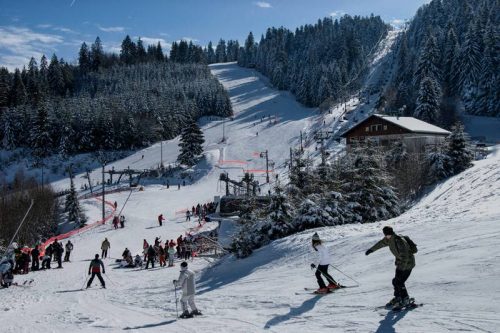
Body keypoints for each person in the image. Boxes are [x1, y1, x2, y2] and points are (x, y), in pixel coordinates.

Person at [365, 226, 416, 309]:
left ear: (391, 233)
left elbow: (405, 256)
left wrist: (401, 269)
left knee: (399, 282)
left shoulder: (399, 240)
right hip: (400, 264)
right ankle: (398, 298)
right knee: (395, 281)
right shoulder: (390, 239)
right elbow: (381, 243)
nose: (386, 236)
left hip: (408, 264)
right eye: (386, 235)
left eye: (387, 234)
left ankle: (405, 299)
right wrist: (371, 250)